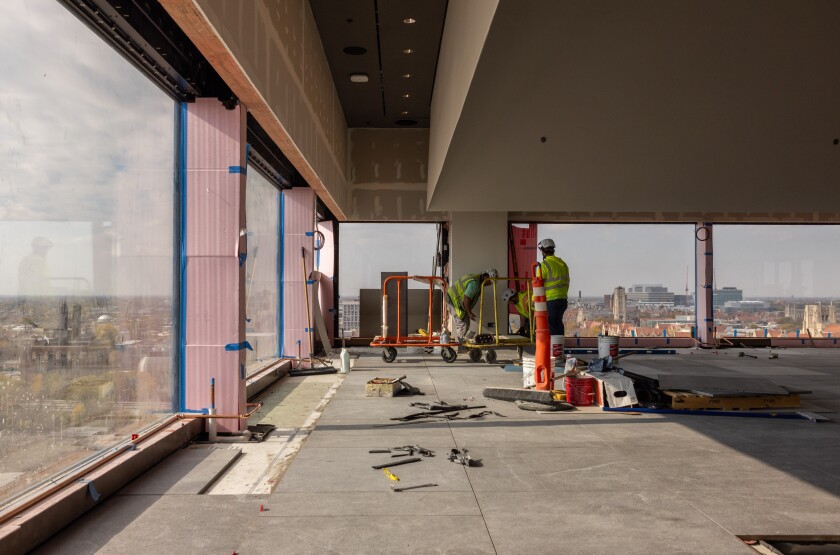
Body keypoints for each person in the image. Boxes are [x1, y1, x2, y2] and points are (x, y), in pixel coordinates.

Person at [446, 268, 498, 342]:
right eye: (490, 282)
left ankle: (464, 343)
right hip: (453, 301)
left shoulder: (476, 278)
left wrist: (468, 312)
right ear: (486, 277)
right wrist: (469, 312)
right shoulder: (475, 284)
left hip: (454, 299)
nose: (489, 284)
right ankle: (461, 346)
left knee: (466, 323)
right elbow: (466, 299)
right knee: (462, 324)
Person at [535, 238, 570, 335]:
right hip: (563, 299)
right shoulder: (562, 264)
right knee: (558, 323)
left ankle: (553, 348)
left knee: (551, 325)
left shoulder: (544, 266)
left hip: (551, 300)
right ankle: (559, 347)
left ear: (543, 251)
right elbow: (567, 281)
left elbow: (538, 286)